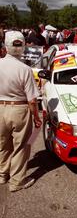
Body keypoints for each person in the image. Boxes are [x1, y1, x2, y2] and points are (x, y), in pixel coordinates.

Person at [0, 31, 42, 192]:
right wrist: (36, 117)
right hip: (19, 109)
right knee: (21, 146)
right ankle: (16, 182)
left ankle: (2, 175)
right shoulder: (25, 69)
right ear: (22, 46)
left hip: (0, 108)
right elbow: (32, 100)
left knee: (3, 144)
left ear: (6, 45)